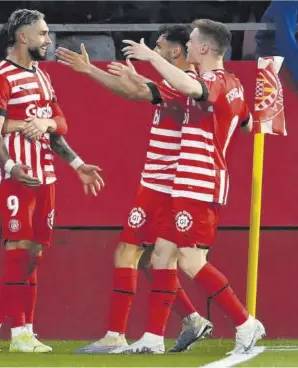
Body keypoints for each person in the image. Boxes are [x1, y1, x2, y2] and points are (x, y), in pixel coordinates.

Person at [105, 18, 264, 354]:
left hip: (200, 182)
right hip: (187, 183)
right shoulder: (231, 82)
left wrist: (151, 57)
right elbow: (248, 122)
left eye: (191, 41)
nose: (187, 46)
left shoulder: (214, 80)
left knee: (191, 260)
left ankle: (245, 323)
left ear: (204, 48)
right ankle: (152, 338)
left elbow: (197, 91)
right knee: (163, 256)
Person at [56, 25, 212, 354]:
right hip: (158, 180)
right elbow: (134, 91)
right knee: (144, 259)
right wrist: (89, 70)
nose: (152, 48)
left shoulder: (191, 81)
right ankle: (192, 319)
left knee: (137, 253)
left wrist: (92, 72)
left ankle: (120, 335)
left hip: (167, 184)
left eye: (158, 45)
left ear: (175, 50)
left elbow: (136, 92)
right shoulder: (179, 78)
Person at [0, 10, 104, 353]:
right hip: (10, 176)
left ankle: (23, 331)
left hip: (44, 174)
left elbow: (59, 124)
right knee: (9, 250)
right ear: (23, 37)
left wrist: (77, 163)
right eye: (43, 34)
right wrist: (10, 165)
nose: (48, 40)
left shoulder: (41, 77)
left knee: (34, 253)